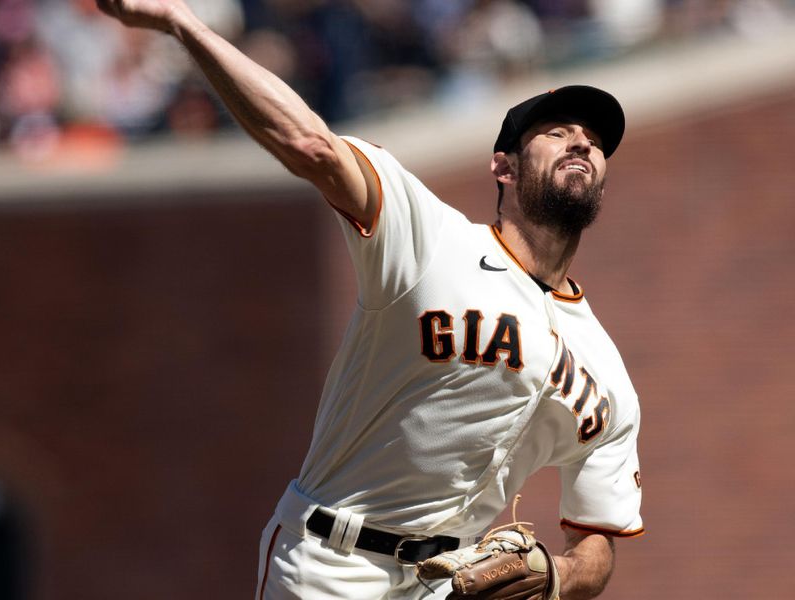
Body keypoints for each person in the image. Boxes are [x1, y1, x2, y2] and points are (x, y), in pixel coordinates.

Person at [96, 2, 644, 599]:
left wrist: (557, 575)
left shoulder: (607, 372)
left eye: (593, 141)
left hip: (448, 585)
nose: (581, 144)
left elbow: (597, 541)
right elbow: (312, 145)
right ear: (503, 166)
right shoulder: (430, 239)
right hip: (330, 563)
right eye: (557, 132)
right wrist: (184, 23)